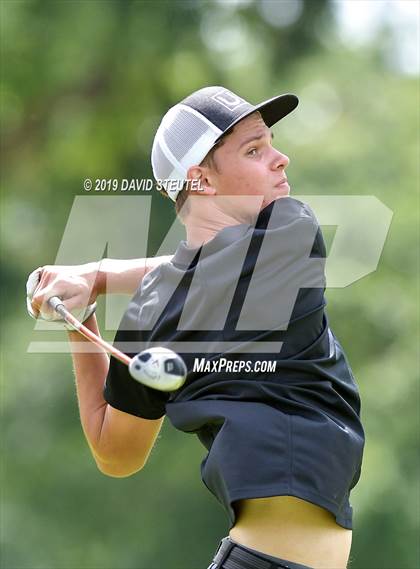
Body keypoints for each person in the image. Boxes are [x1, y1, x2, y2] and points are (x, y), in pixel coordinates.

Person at [28, 86, 365, 569]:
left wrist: (96, 276)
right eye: (254, 150)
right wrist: (80, 318)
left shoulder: (285, 234)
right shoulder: (159, 308)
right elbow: (116, 454)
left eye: (270, 143)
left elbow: (195, 271)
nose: (281, 159)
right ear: (202, 181)